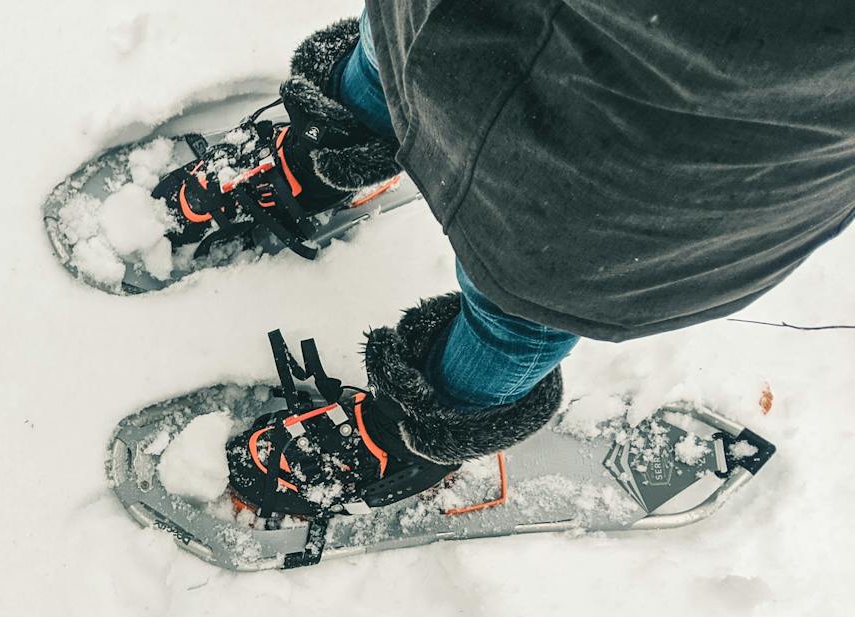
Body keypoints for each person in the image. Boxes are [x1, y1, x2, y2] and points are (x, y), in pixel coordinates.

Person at [167, 5, 855, 506]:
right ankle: (327, 149)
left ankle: (420, 437)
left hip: (689, 118)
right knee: (398, 47)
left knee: (538, 277)